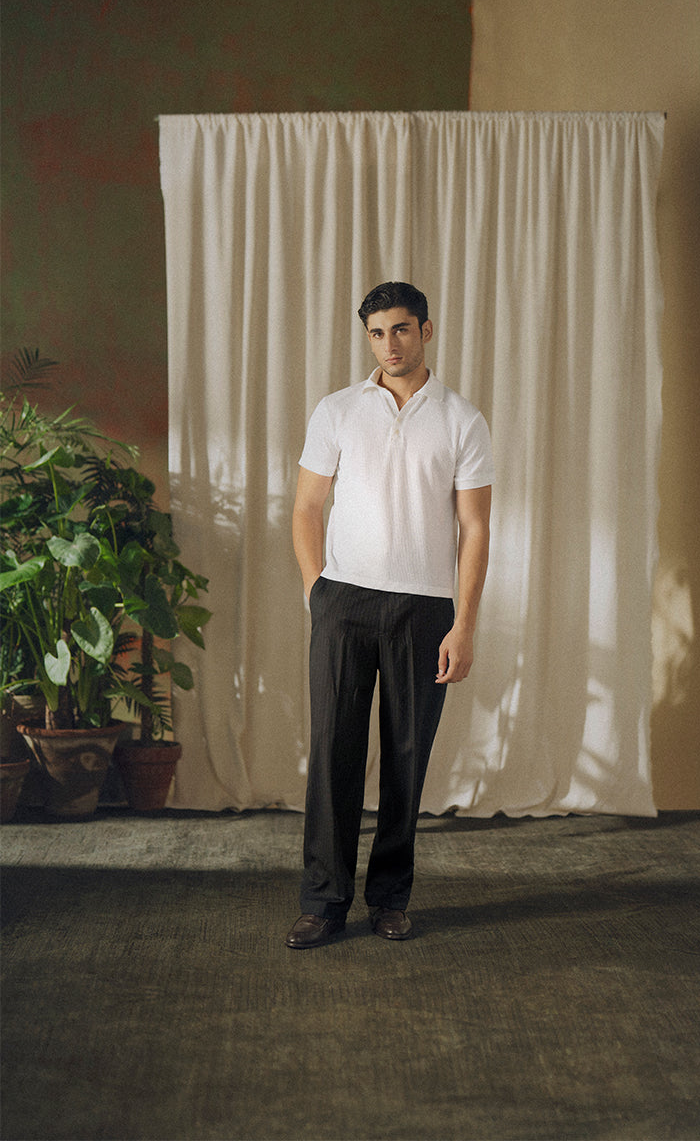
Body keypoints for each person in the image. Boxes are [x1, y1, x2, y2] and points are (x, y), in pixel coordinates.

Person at [285, 282, 494, 949]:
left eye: (401, 329)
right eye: (376, 333)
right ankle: (324, 901)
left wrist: (464, 624)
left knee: (407, 757)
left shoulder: (462, 419)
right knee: (332, 753)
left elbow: (475, 528)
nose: (389, 344)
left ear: (425, 330)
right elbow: (307, 507)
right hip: (343, 601)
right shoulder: (338, 410)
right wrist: (317, 589)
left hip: (424, 609)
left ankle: (389, 899)